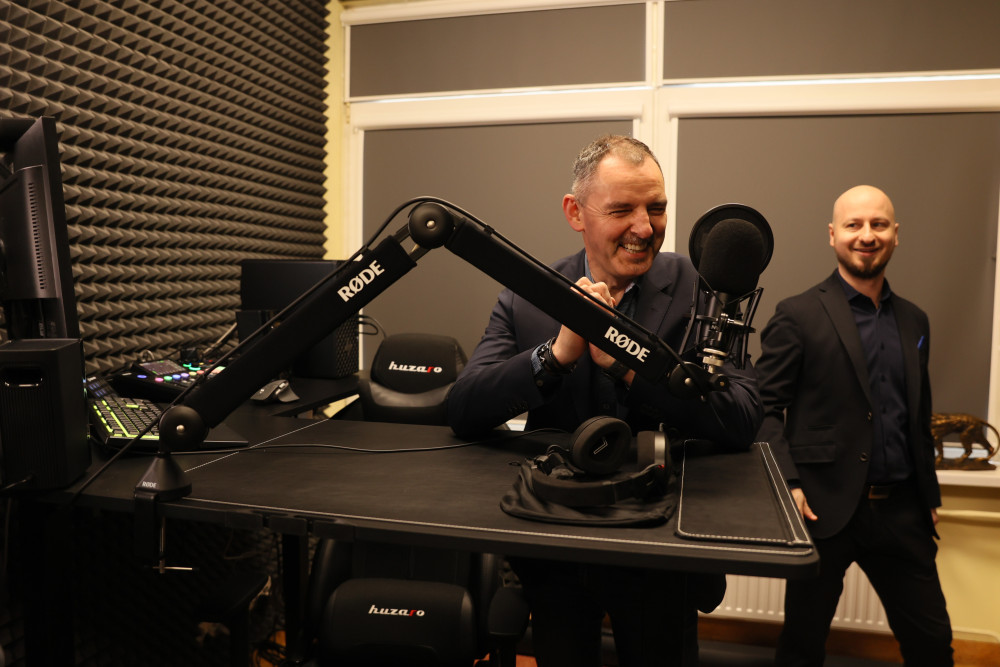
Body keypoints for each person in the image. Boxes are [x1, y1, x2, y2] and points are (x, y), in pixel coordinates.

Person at [447, 135, 762, 667]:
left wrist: (627, 364)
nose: (645, 227)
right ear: (576, 212)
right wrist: (556, 355)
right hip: (556, 550)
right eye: (622, 210)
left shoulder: (704, 289)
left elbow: (743, 418)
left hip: (663, 553)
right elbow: (463, 410)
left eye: (656, 208)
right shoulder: (529, 296)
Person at [755, 185, 953, 666]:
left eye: (878, 225)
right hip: (823, 510)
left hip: (903, 511)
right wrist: (789, 483)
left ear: (895, 234)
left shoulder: (915, 320)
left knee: (932, 646)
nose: (867, 235)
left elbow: (918, 414)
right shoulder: (798, 315)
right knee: (802, 646)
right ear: (833, 235)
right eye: (854, 225)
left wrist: (928, 496)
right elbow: (763, 409)